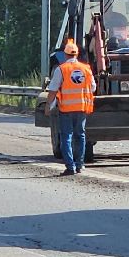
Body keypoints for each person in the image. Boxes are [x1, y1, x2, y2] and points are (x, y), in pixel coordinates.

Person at [46, 39, 96, 175]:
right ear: (77, 54)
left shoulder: (61, 69)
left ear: (65, 54)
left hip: (66, 109)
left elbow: (53, 90)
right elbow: (93, 87)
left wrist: (48, 106)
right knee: (80, 135)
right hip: (82, 108)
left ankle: (70, 166)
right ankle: (80, 165)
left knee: (66, 137)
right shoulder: (86, 69)